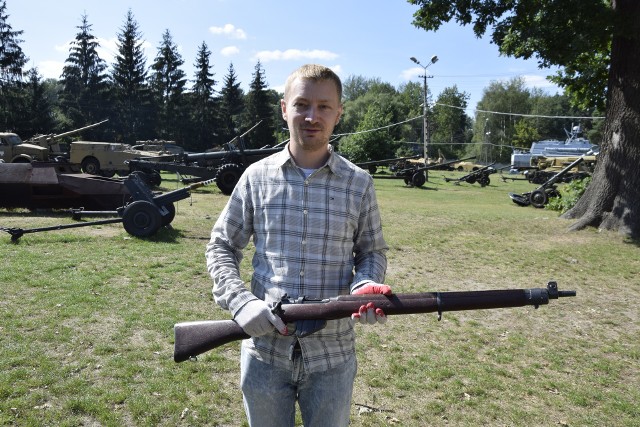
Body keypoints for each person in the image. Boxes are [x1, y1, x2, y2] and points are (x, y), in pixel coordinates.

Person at [205, 63, 391, 427]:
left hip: (333, 356)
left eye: (324, 106)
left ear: (339, 113)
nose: (312, 116)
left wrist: (366, 286)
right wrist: (241, 302)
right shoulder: (255, 177)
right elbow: (221, 245)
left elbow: (371, 251)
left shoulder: (359, 183)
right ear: (284, 108)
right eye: (302, 104)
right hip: (264, 353)